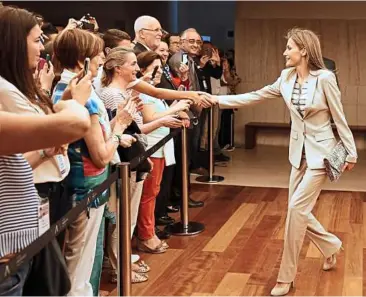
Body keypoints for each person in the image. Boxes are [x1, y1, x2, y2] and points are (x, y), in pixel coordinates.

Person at [212, 28, 357, 296]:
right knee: (297, 211)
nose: (284, 52)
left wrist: (351, 152)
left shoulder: (325, 78)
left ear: (303, 50)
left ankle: (286, 277)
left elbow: (339, 117)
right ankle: (330, 246)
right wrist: (215, 99)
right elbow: (254, 96)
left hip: (321, 156)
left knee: (295, 212)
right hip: (297, 154)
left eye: (289, 47)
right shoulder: (285, 78)